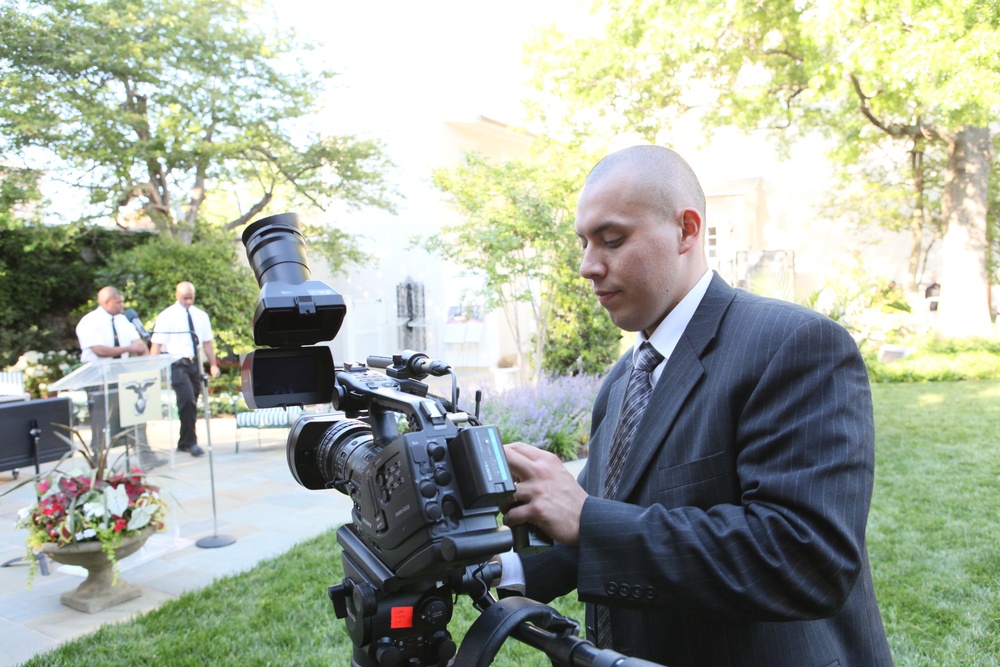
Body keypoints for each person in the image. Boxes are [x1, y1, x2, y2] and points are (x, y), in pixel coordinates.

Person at [496, 145, 893, 665]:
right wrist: (490, 564)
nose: (588, 266)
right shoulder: (623, 377)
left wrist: (586, 517)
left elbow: (804, 558)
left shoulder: (795, 344)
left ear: (687, 230)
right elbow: (601, 527)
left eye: (612, 240)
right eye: (584, 243)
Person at [76, 286, 166, 470]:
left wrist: (138, 351)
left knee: (136, 415)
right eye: (119, 302)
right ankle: (99, 460)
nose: (122, 306)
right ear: (106, 301)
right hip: (98, 377)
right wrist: (128, 349)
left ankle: (144, 455)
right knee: (101, 420)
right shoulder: (90, 321)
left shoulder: (124, 321)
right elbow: (98, 350)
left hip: (123, 374)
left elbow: (138, 344)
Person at [149, 281, 220, 457]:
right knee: (187, 399)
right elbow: (156, 344)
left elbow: (207, 342)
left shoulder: (200, 315)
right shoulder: (167, 316)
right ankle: (191, 442)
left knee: (192, 402)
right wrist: (152, 370)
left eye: (190, 298)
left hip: (194, 363)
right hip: (176, 363)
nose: (188, 301)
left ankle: (184, 441)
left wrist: (212, 364)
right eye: (184, 298)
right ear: (177, 295)